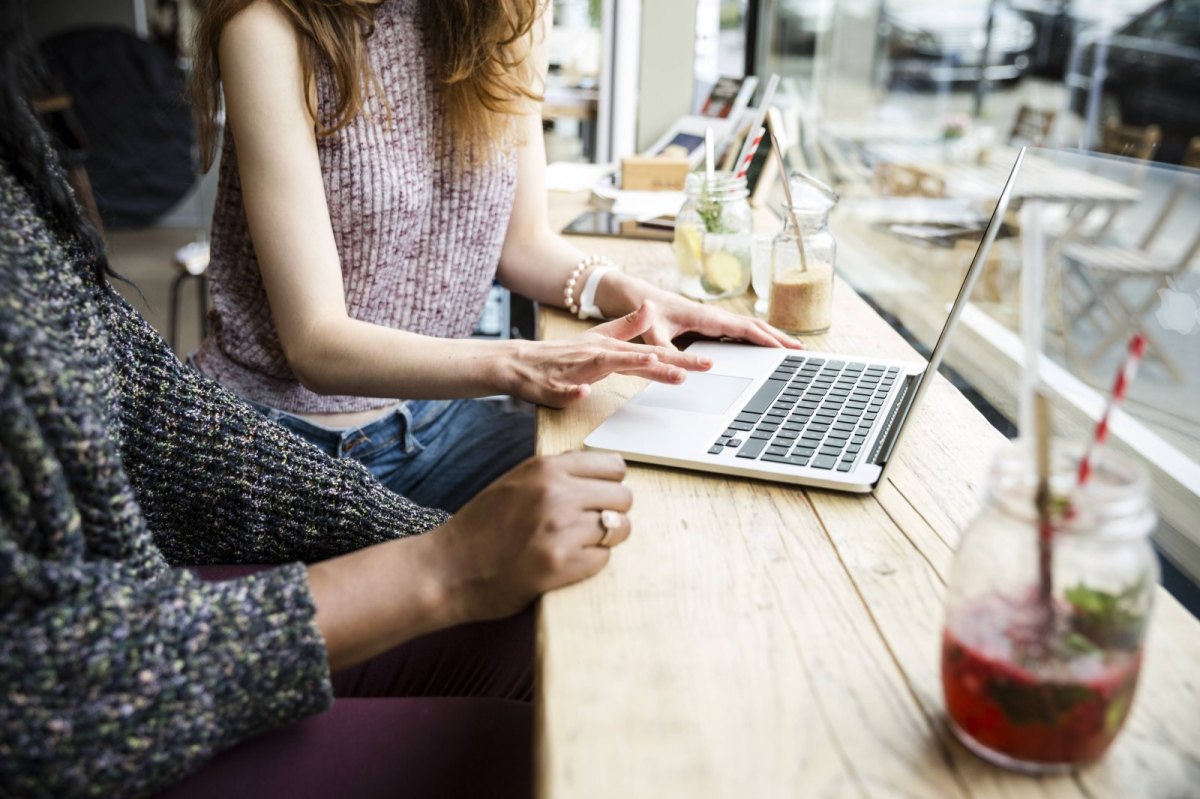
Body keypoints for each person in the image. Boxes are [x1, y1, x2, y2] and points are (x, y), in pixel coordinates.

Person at [0, 4, 631, 795]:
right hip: (250, 475)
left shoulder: (500, 19)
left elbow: (153, 412)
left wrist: (618, 291)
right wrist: (449, 557)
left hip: (399, 441)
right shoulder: (267, 27)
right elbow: (39, 685)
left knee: (582, 583)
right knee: (540, 709)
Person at [189, 0, 801, 512]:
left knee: (663, 491)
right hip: (282, 447)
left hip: (435, 420)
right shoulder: (267, 26)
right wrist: (524, 363)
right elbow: (316, 346)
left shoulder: (506, 15)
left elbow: (522, 243)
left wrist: (635, 296)